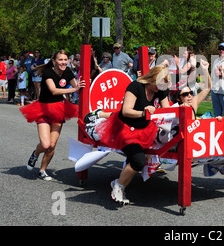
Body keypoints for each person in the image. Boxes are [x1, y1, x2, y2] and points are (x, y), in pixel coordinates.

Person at [96, 65, 171, 205]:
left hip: (145, 129)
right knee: (139, 161)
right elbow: (126, 111)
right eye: (158, 83)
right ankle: (118, 185)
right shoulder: (135, 86)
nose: (159, 88)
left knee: (137, 159)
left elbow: (166, 110)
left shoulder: (161, 90)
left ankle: (119, 183)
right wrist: (144, 112)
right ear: (151, 78)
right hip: (125, 128)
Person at [22, 50, 86, 180]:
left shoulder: (68, 72)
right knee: (45, 145)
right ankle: (35, 154)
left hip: (59, 109)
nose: (63, 62)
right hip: (43, 110)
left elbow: (79, 89)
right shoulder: (48, 73)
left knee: (52, 145)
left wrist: (84, 85)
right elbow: (53, 90)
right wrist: (74, 89)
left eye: (65, 59)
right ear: (54, 61)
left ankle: (42, 170)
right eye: (60, 59)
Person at [211, 43, 224, 117]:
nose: (221, 50)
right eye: (220, 49)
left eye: (223, 49)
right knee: (216, 112)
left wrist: (221, 72)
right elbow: (213, 74)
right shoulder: (216, 61)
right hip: (215, 88)